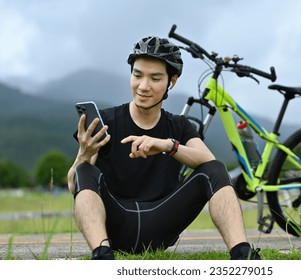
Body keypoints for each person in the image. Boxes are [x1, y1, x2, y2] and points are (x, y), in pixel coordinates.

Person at [67, 36, 261, 260]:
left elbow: (210, 164)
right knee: (84, 170)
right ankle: (102, 257)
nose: (143, 86)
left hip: (162, 223)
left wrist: (167, 146)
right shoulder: (105, 121)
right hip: (115, 224)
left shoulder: (178, 126)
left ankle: (243, 256)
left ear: (172, 81)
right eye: (137, 75)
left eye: (155, 78)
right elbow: (74, 185)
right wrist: (84, 153)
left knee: (215, 169)